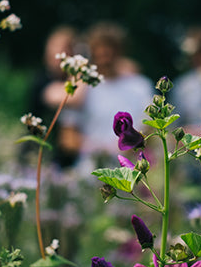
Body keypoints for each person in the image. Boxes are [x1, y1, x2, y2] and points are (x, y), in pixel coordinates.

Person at [76, 21, 153, 172]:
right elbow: (68, 138)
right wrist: (99, 149)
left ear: (120, 50)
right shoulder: (82, 89)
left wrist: (124, 148)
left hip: (132, 169)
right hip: (89, 170)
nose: (105, 53)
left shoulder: (140, 86)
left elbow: (150, 128)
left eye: (110, 47)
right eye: (99, 48)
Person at [25, 25, 84, 168]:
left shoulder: (68, 80)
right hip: (40, 153)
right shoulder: (42, 80)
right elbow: (74, 98)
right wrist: (80, 71)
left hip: (66, 157)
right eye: (55, 48)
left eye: (65, 48)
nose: (58, 53)